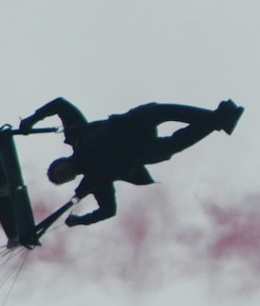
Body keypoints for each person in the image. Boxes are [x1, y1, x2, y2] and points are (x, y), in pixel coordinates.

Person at [18, 97, 244, 227]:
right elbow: (108, 210)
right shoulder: (95, 181)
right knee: (170, 147)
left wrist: (30, 121)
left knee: (159, 112)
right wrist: (81, 221)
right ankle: (221, 118)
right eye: (61, 179)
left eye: (58, 172)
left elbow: (60, 105)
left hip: (128, 125)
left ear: (60, 162)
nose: (63, 175)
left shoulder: (77, 137)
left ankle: (219, 117)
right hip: (137, 152)